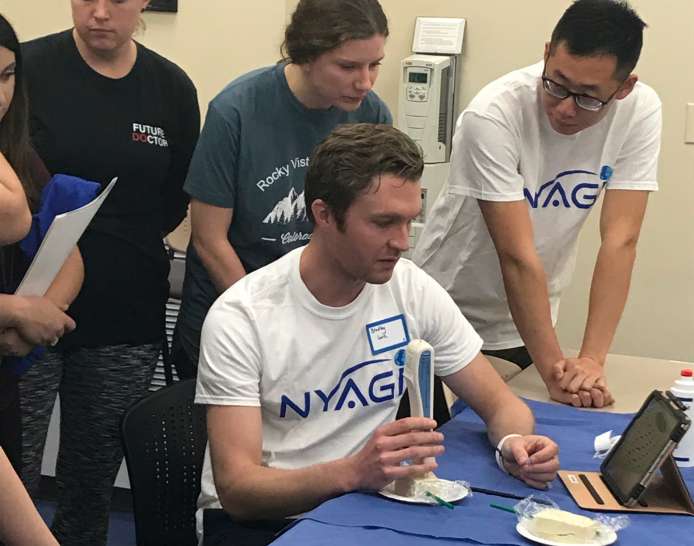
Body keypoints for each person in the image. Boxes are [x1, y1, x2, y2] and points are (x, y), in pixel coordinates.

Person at [195, 124, 560, 546]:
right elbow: (239, 492)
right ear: (325, 215)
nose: (402, 242)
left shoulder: (409, 288)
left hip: (364, 505)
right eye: (384, 223)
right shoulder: (243, 317)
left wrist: (516, 446)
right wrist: (352, 472)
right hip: (266, 523)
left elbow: (501, 405)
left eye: (409, 221)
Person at [413, 0, 660, 408]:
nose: (565, 108)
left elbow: (621, 240)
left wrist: (590, 361)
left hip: (527, 322)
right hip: (447, 312)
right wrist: (556, 372)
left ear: (624, 87)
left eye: (588, 97)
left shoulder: (641, 110)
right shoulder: (493, 114)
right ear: (547, 53)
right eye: (557, 84)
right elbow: (516, 255)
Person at [18, 1, 200, 544]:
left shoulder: (170, 88)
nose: (99, 13)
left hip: (125, 309)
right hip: (29, 301)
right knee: (15, 470)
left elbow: (174, 200)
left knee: (92, 483)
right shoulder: (26, 70)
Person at [173, 0, 392, 379]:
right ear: (305, 56)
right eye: (348, 66)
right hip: (238, 314)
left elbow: (367, 226)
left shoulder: (371, 115)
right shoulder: (237, 111)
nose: (365, 82)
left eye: (374, 65)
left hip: (321, 320)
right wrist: (267, 324)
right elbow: (210, 240)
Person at [0, 12, 79, 476]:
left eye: (7, 76)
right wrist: (16, 311)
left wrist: (43, 312)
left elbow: (68, 249)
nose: (1, 94)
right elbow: (13, 220)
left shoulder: (18, 152)